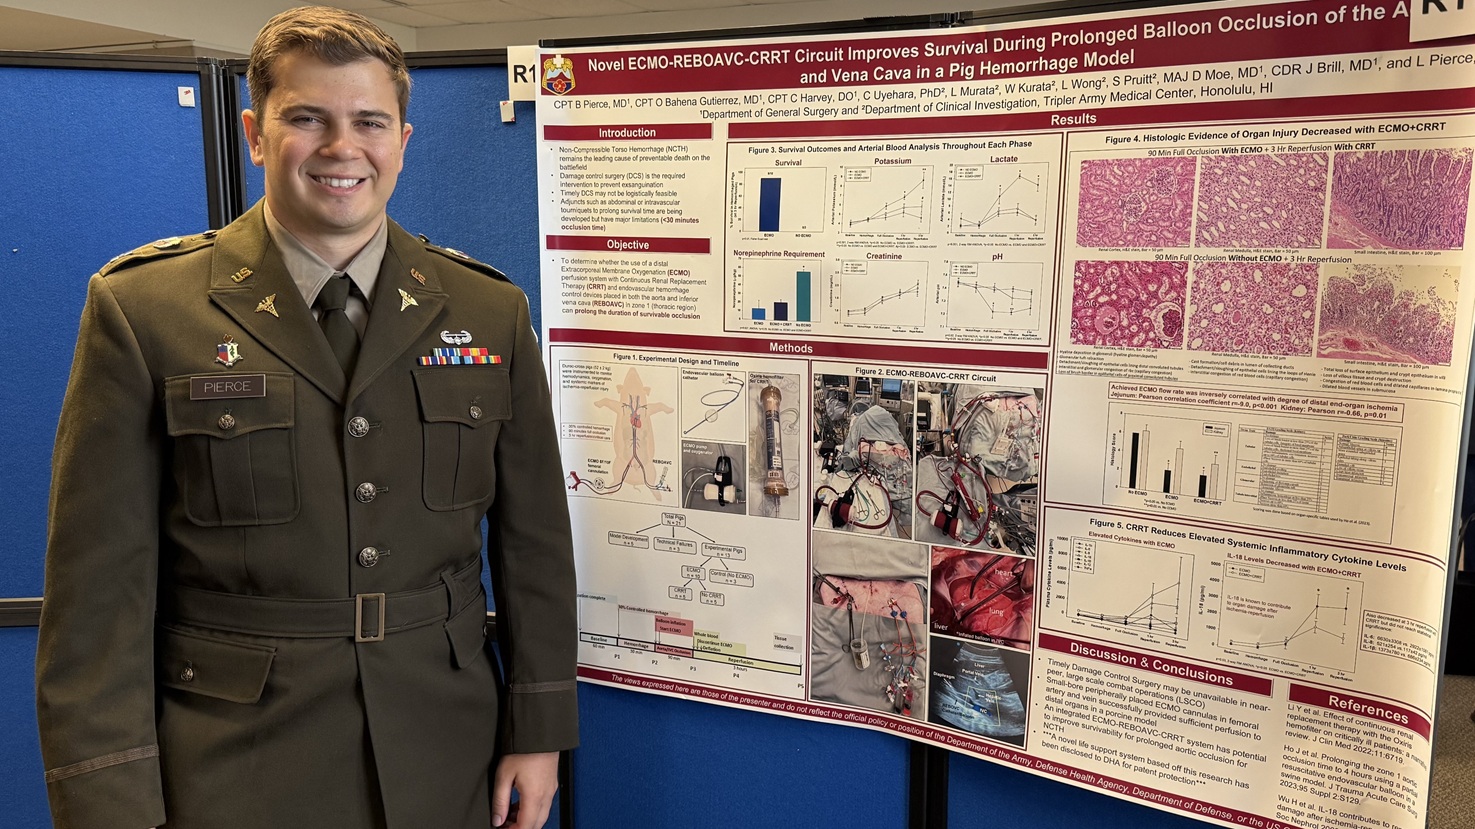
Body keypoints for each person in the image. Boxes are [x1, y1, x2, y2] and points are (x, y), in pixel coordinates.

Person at [34, 8, 577, 829]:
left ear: (402, 140)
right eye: (307, 118)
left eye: (368, 122)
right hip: (232, 761)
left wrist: (538, 734)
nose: (341, 148)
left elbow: (534, 542)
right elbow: (95, 588)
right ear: (255, 133)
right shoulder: (145, 309)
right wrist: (107, 800)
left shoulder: (486, 308)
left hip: (444, 744)